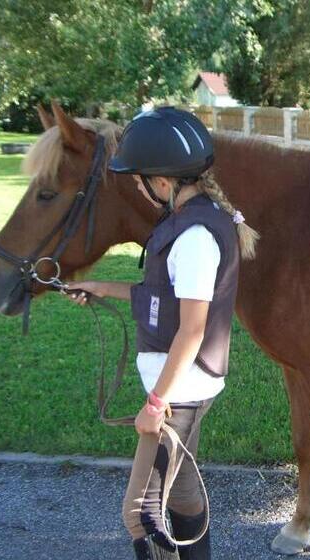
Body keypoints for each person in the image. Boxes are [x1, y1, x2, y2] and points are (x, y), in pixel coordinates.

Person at [68, 107, 258, 560]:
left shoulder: (194, 237)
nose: (136, 187)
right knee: (183, 493)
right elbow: (163, 298)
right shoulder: (193, 219)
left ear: (163, 181)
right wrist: (99, 287)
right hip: (184, 386)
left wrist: (155, 405)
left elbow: (191, 331)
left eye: (138, 179)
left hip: (179, 393)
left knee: (141, 512)